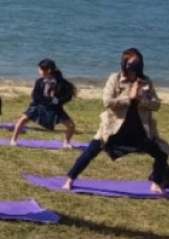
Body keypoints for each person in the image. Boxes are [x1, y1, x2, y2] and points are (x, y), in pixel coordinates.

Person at [63, 48, 167, 194]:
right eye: (132, 62)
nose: (135, 66)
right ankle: (70, 179)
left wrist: (141, 99)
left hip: (138, 128)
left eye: (137, 62)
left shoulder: (146, 81)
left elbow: (156, 105)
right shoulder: (115, 78)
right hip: (113, 127)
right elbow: (107, 101)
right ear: (124, 63)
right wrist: (128, 97)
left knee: (161, 153)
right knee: (90, 152)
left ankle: (156, 182)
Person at [10, 58, 76, 147]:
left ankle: (66, 142)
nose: (39, 72)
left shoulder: (60, 83)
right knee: (22, 120)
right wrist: (46, 99)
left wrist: (55, 99)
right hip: (39, 105)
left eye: (40, 70)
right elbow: (35, 95)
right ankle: (13, 140)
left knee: (71, 125)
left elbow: (66, 96)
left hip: (55, 108)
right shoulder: (39, 81)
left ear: (48, 70)